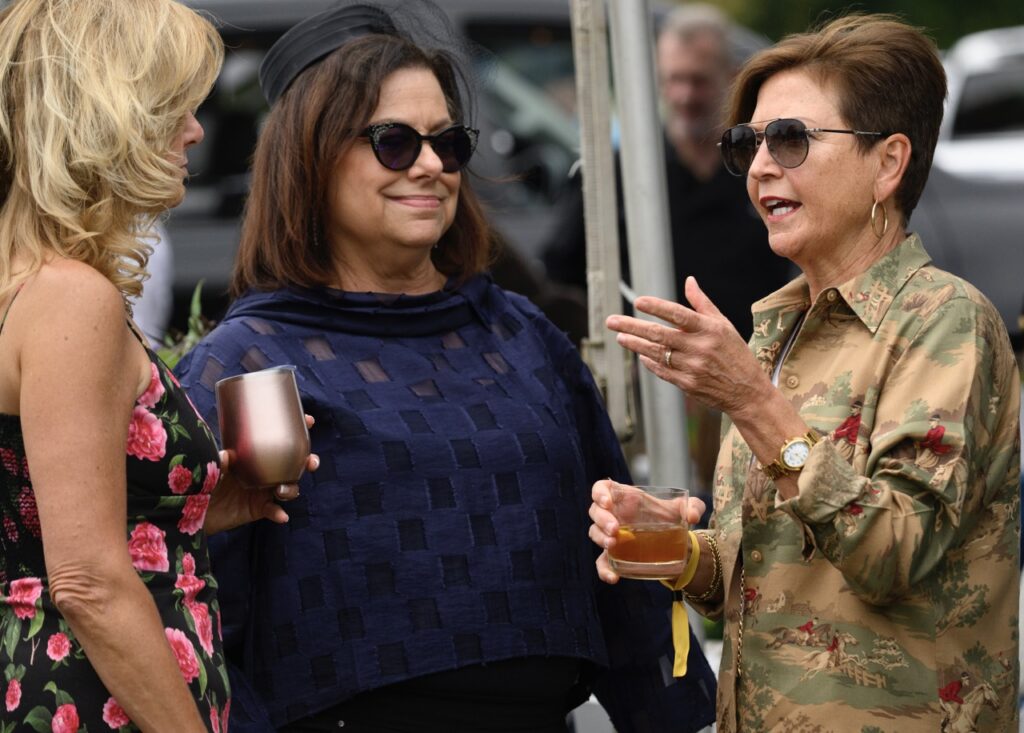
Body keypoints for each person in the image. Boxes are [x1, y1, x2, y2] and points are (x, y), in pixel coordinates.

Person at [173, 3, 718, 732]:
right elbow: (202, 622)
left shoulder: (522, 334)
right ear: (311, 154)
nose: (431, 166)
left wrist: (676, 717)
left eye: (448, 142)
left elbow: (617, 568)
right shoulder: (247, 363)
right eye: (394, 143)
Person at [588, 13, 1020, 733]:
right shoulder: (777, 330)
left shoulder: (946, 320)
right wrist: (674, 547)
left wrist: (753, 401)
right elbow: (752, 585)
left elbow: (891, 554)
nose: (759, 166)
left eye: (789, 140)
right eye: (746, 143)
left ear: (887, 163)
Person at [0, 1, 313, 729]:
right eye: (173, 105)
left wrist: (186, 509)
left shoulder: (25, 281)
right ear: (110, 115)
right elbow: (85, 579)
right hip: (97, 699)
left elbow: (37, 515)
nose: (196, 129)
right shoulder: (71, 298)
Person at [544, 4, 791, 500]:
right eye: (672, 80)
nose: (684, 96)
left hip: (758, 379)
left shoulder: (757, 167)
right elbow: (559, 270)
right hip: (654, 391)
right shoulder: (621, 172)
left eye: (697, 81)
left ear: (728, 77)